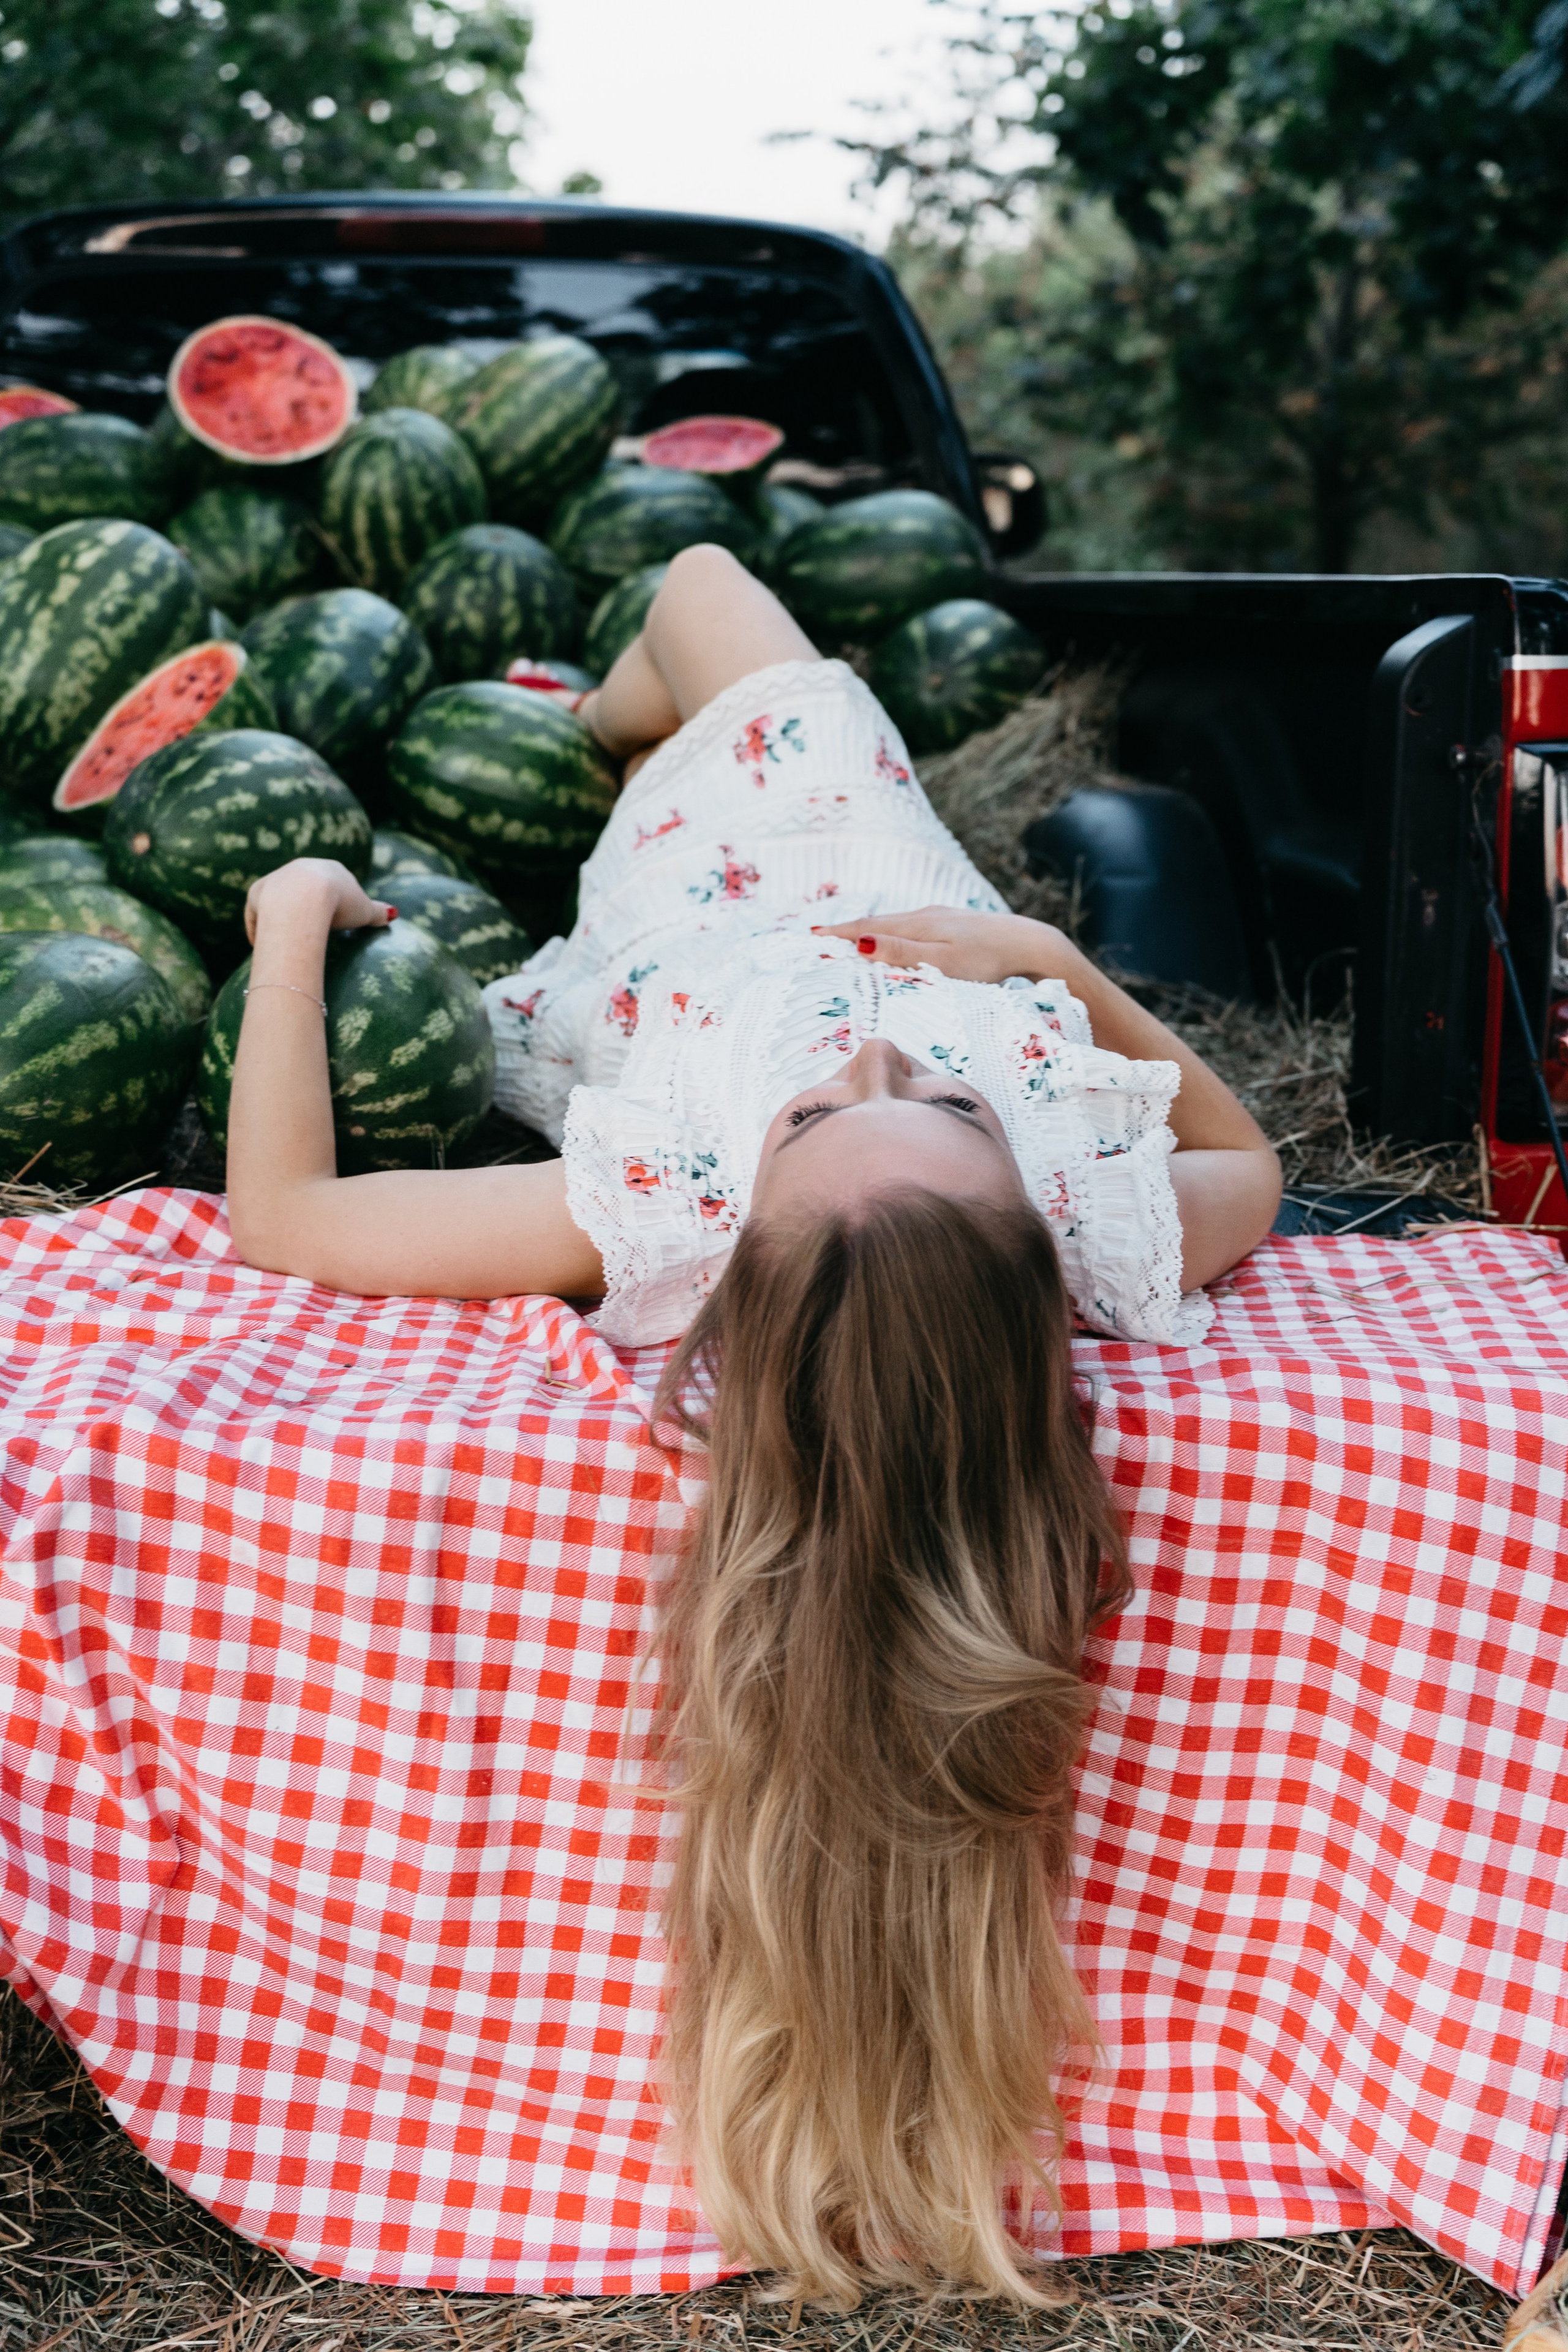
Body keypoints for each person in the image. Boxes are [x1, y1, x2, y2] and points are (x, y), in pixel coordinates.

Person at [227, 543, 1281, 2305]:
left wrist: (288, 917)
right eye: (949, 1099)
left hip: (696, 932)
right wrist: (1037, 971)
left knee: (709, 583)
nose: (867, 1062)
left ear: (742, 1244)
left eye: (823, 1122)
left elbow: (289, 1220)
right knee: (721, 603)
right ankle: (628, 730)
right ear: (1039, 1224)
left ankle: (620, 740)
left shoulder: (676, 1191)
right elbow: (1254, 1163)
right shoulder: (1087, 1196)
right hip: (891, 875)